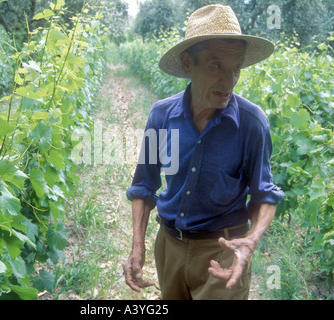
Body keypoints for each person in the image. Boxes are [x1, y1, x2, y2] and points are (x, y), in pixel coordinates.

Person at [122, 4, 285, 300]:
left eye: (236, 68)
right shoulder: (161, 117)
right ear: (187, 64)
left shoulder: (251, 124)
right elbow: (144, 186)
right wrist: (137, 245)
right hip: (169, 245)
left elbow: (265, 194)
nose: (228, 81)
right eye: (216, 65)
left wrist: (250, 241)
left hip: (222, 251)